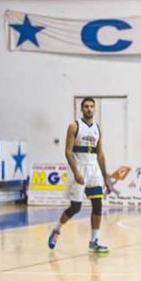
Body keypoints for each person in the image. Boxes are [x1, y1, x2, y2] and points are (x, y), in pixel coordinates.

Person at [47, 97, 113, 253]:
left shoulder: (97, 128)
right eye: (86, 106)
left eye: (91, 106)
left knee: (98, 204)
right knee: (75, 207)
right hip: (79, 168)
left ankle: (94, 241)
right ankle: (56, 229)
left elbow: (100, 154)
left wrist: (105, 176)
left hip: (94, 169)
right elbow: (68, 152)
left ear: (94, 109)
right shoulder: (74, 126)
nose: (89, 109)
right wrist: (76, 172)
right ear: (81, 109)